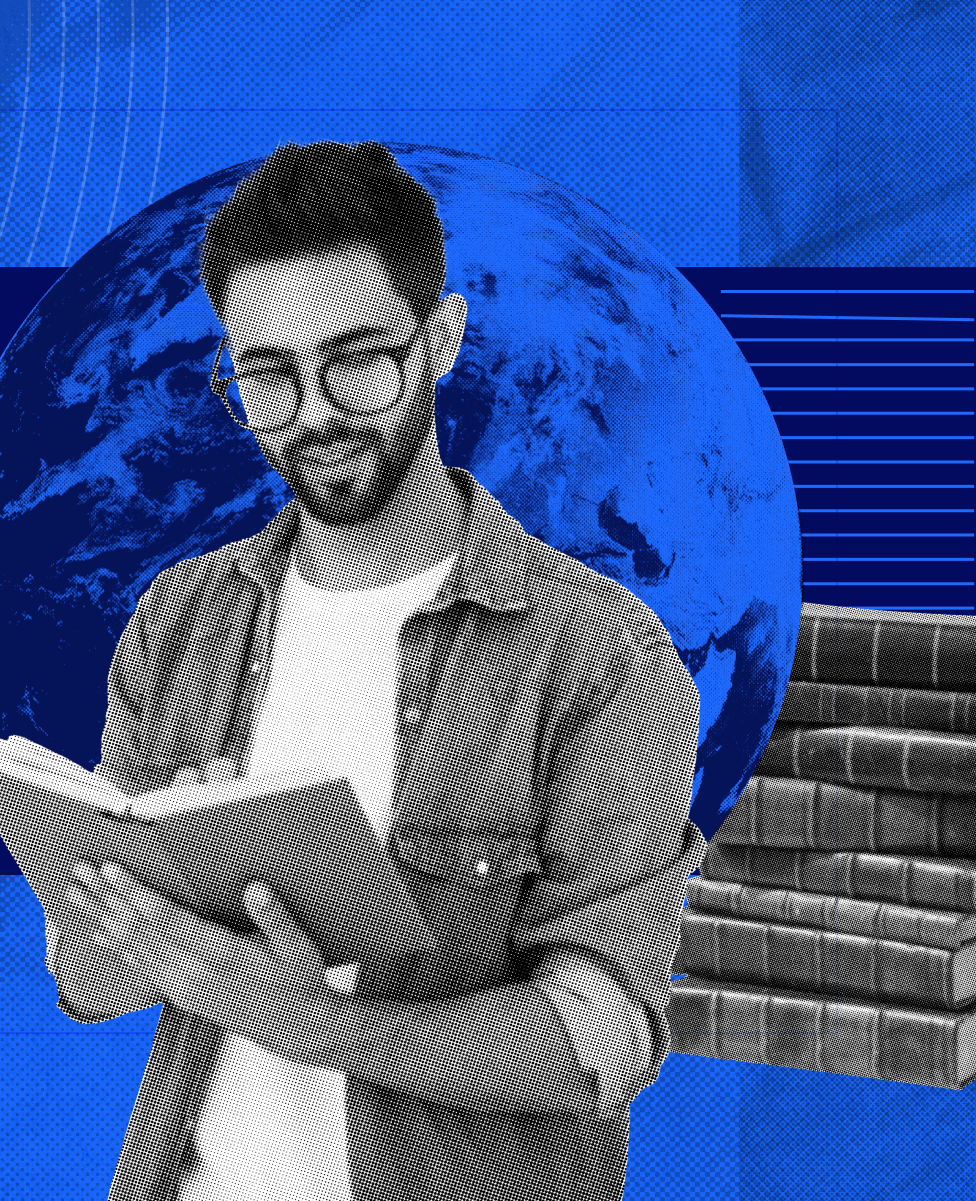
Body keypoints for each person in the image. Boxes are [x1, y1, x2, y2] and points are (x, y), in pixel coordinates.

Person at [49, 140, 707, 1201]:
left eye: (357, 357)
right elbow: (83, 975)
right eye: (268, 373)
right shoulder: (179, 620)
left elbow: (599, 1041)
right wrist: (174, 906)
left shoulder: (603, 659)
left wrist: (309, 1023)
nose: (314, 412)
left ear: (441, 338)